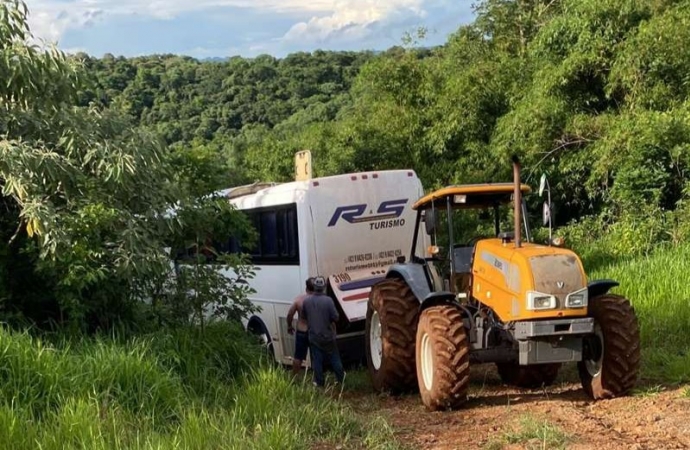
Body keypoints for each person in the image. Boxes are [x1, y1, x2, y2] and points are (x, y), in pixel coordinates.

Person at [301, 276, 345, 387]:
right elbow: (336, 317)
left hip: (314, 337)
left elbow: (303, 317)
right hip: (328, 336)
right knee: (335, 358)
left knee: (317, 360)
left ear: (314, 287)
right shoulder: (328, 301)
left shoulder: (306, 302)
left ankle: (320, 383)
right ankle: (341, 380)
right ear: (324, 287)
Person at [286, 277, 314, 376]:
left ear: (306, 289)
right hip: (314, 331)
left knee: (298, 357)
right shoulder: (320, 300)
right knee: (317, 355)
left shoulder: (299, 300)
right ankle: (318, 378)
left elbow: (290, 314)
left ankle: (294, 377)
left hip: (302, 331)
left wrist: (289, 326)